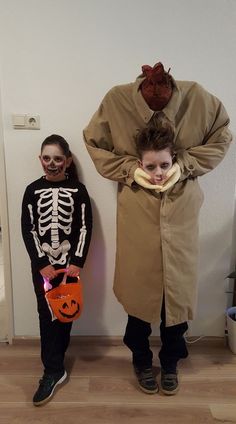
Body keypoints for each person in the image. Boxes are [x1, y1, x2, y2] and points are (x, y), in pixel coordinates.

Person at [83, 62, 232, 395]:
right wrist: (128, 170)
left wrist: (185, 165)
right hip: (137, 213)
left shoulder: (198, 99)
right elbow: (94, 141)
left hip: (181, 214)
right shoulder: (117, 101)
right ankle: (139, 358)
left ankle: (170, 362)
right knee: (139, 294)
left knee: (175, 297)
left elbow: (222, 135)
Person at [21, 134, 92, 406]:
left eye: (58, 158)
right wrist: (42, 263)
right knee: (46, 314)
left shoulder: (78, 190)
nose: (52, 163)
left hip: (68, 267)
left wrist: (76, 261)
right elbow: (28, 230)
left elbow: (86, 227)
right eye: (47, 158)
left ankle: (58, 362)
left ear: (67, 161)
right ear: (40, 160)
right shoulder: (31, 190)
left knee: (66, 312)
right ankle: (51, 370)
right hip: (44, 268)